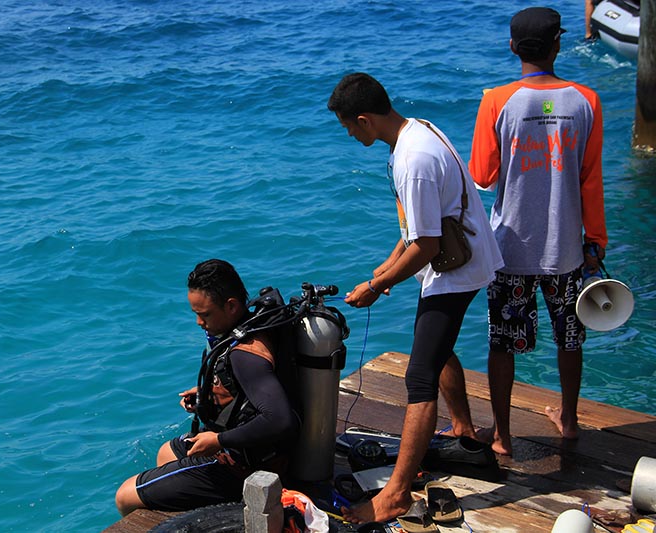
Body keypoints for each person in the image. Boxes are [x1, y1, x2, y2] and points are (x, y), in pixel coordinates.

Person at [328, 73, 503, 524]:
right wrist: (384, 273)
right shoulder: (417, 130)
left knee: (418, 377)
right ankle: (463, 428)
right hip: (460, 256)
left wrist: (376, 287)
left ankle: (397, 494)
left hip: (457, 270)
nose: (349, 134)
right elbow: (412, 233)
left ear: (364, 120)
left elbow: (424, 246)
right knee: (436, 347)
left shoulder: (414, 160)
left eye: (349, 126)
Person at [469, 7, 607, 457]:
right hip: (566, 247)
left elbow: (483, 175)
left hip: (510, 248)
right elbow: (590, 178)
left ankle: (503, 436)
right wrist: (596, 241)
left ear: (512, 47)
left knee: (502, 343)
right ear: (558, 45)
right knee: (571, 335)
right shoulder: (586, 100)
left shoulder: (496, 101)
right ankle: (568, 420)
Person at [114, 259, 300, 516]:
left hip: (245, 467)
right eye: (196, 314)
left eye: (205, 314)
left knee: (125, 496)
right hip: (243, 448)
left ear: (231, 306)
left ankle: (232, 505)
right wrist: (208, 395)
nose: (199, 323)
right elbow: (249, 391)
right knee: (166, 452)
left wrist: (218, 440)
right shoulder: (251, 326)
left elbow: (280, 419)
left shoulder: (246, 354)